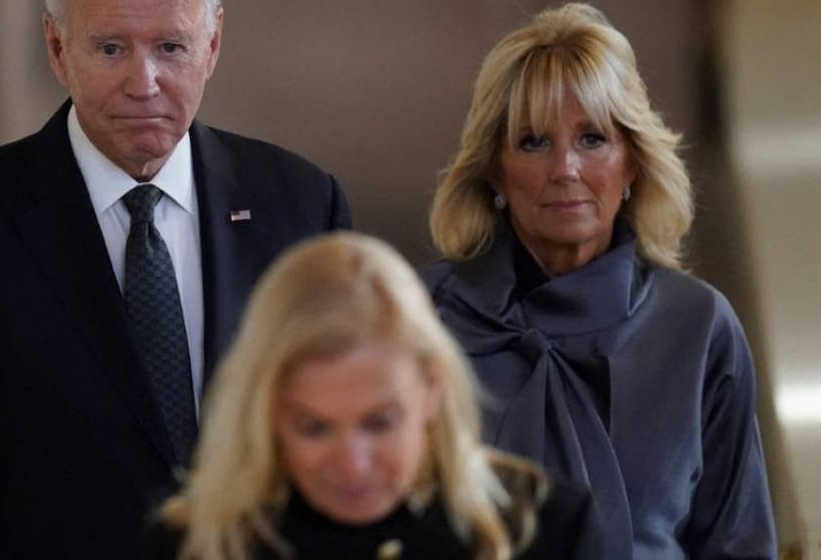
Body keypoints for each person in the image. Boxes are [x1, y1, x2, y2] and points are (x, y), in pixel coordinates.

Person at [0, 0, 349, 559]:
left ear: (212, 44)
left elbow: (349, 471)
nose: (142, 83)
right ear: (58, 48)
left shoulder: (301, 206)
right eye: (112, 47)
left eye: (170, 47)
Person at [422, 2, 776, 558]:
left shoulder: (698, 325)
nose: (565, 168)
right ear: (495, 167)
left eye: (592, 139)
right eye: (534, 142)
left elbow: (738, 542)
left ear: (632, 160)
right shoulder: (424, 317)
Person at [161, 232, 593, 560]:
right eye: (314, 427)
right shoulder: (194, 543)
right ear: (267, 413)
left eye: (380, 422)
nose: (353, 463)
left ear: (432, 389)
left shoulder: (542, 526)